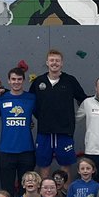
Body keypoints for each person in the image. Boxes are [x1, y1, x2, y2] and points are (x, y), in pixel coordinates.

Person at [30, 49, 88, 178]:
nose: (54, 63)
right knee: (44, 165)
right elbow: (29, 102)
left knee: (65, 167)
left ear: (62, 63)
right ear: (47, 62)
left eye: (57, 60)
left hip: (64, 132)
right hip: (44, 132)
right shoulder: (39, 81)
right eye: (52, 60)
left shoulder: (70, 80)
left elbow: (84, 99)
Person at [0, 66, 37, 195]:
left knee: (26, 189)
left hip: (26, 150)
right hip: (6, 150)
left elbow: (42, 114)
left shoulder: (31, 98)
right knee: (6, 189)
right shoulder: (1, 99)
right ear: (8, 81)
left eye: (19, 79)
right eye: (13, 79)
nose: (16, 82)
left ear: (23, 81)